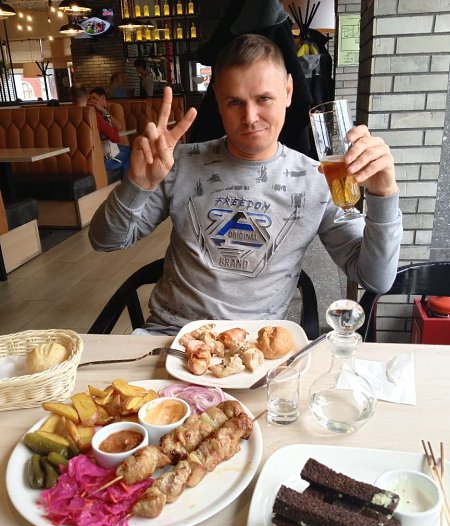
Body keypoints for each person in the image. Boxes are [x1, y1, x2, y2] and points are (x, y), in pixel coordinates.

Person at [89, 34, 402, 334]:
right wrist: (136, 184)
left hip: (257, 346)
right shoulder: (178, 162)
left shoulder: (319, 179)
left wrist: (383, 195)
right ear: (217, 100)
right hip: (171, 337)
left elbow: (376, 278)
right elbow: (105, 240)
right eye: (235, 102)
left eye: (263, 98)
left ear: (288, 90)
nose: (250, 117)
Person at [88, 87, 131, 178]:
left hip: (121, 145)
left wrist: (103, 111)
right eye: (90, 99)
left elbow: (119, 127)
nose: (92, 101)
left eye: (95, 98)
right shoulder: (93, 112)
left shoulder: (116, 107)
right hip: (107, 148)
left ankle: (126, 181)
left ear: (103, 98)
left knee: (130, 154)